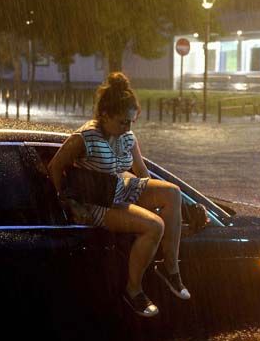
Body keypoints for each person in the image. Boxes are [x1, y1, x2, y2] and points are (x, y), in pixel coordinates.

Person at [49, 72, 190, 318]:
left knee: (173, 193)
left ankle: (170, 269)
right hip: (98, 202)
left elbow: (143, 173)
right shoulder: (85, 137)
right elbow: (55, 167)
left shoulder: (127, 136)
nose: (128, 128)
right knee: (154, 226)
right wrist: (66, 201)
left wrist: (163, 202)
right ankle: (133, 290)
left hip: (122, 190)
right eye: (123, 122)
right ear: (105, 115)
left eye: (131, 122)